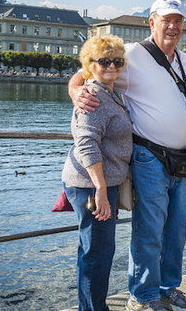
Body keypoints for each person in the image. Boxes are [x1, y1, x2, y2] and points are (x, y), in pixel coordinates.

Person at [69, 0, 186, 311]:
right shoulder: (131, 55)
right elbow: (86, 72)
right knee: (149, 231)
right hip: (150, 157)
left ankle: (169, 289)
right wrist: (76, 89)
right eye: (166, 20)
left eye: (178, 21)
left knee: (176, 232)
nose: (172, 26)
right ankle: (142, 296)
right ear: (152, 22)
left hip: (183, 160)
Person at [62, 35, 132, 311]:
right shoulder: (93, 97)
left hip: (99, 185)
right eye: (104, 61)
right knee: (97, 253)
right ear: (90, 65)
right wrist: (101, 190)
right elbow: (87, 144)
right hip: (92, 187)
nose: (112, 66)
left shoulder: (108, 92)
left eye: (117, 61)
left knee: (98, 250)